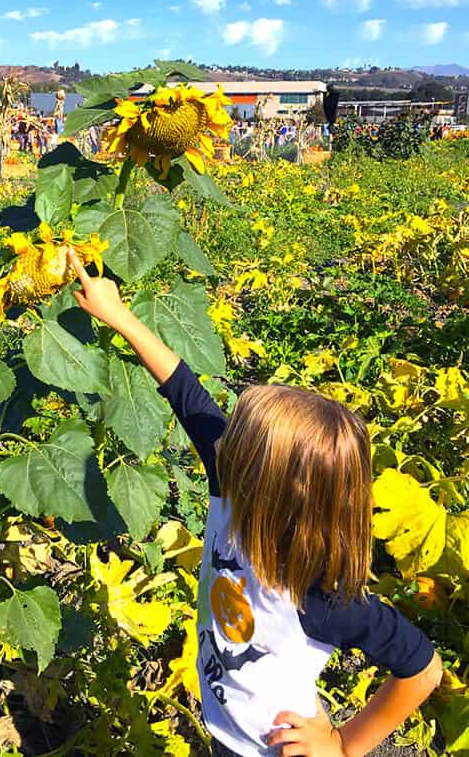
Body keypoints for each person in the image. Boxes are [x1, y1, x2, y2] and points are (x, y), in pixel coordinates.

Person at [67, 250, 443, 757]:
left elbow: (423, 669)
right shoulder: (232, 481)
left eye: (237, 441)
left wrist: (343, 745)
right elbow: (186, 394)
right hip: (228, 727)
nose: (223, 442)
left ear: (265, 488)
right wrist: (118, 315)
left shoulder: (319, 597)